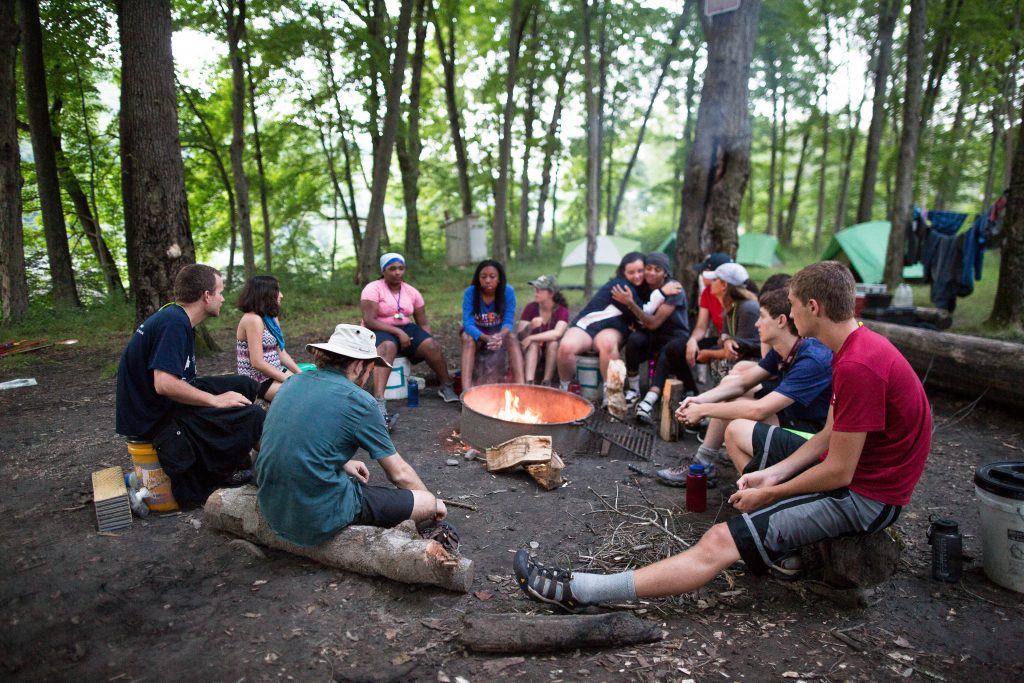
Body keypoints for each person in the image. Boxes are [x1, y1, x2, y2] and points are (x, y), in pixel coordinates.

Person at [513, 260, 931, 611]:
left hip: (868, 497)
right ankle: (778, 544)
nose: (788, 313)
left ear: (813, 307)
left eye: (791, 305)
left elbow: (840, 470)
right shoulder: (852, 348)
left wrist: (771, 494)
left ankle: (581, 592)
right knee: (744, 440)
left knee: (718, 540)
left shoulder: (859, 365)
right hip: (856, 473)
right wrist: (771, 474)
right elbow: (826, 436)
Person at [255, 324, 452, 548]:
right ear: (359, 365)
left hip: (272, 505)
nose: (368, 375)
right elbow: (399, 474)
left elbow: (296, 437)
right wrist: (434, 502)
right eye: (370, 368)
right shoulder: (360, 401)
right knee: (425, 502)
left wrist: (344, 462)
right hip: (316, 516)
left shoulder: (291, 382)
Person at [115, 264, 267, 508]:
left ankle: (240, 457)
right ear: (206, 296)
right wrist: (215, 400)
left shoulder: (176, 318)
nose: (223, 298)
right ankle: (267, 468)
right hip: (152, 417)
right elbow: (164, 384)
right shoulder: (174, 324)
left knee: (244, 385)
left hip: (159, 403)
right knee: (253, 415)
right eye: (220, 291)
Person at [655, 287, 832, 487]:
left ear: (781, 321)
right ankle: (704, 464)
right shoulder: (785, 348)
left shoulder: (812, 358)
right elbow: (742, 383)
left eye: (762, 317)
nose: (756, 324)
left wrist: (703, 410)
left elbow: (759, 410)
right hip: (794, 420)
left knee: (735, 427)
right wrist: (699, 399)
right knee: (732, 399)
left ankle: (762, 495)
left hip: (814, 438)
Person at [638, 262, 761, 423]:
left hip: (751, 365)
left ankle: (716, 415)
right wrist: (698, 341)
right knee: (674, 348)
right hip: (734, 357)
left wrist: (709, 353)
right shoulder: (730, 307)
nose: (710, 283)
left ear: (724, 285)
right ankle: (693, 397)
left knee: (722, 363)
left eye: (715, 279)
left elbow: (738, 351)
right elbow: (723, 336)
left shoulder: (748, 308)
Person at [361, 253, 460, 429]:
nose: (397, 272)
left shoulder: (411, 292)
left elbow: (423, 323)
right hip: (378, 328)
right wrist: (398, 332)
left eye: (401, 268)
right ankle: (378, 402)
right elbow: (369, 320)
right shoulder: (373, 288)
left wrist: (426, 342)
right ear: (383, 271)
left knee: (431, 345)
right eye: (392, 269)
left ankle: (446, 386)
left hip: (406, 328)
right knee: (388, 346)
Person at [555, 252, 646, 394]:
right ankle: (566, 388)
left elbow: (640, 316)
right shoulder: (621, 286)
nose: (637, 275)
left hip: (613, 327)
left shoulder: (645, 288)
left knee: (608, 344)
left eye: (640, 271)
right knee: (566, 347)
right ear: (623, 272)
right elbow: (640, 315)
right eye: (631, 272)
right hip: (587, 325)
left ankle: (612, 392)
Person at [613, 252, 689, 406]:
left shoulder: (674, 289)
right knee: (634, 340)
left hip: (674, 335)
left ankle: (651, 398)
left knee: (666, 350)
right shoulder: (642, 286)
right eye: (648, 268)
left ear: (665, 272)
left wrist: (630, 303)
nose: (651, 273)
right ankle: (634, 390)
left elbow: (653, 323)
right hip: (652, 333)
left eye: (657, 269)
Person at [235, 275, 302, 402]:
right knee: (299, 395)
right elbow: (257, 363)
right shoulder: (252, 319)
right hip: (256, 379)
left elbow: (281, 353)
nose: (281, 295)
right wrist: (288, 379)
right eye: (277, 291)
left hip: (275, 371)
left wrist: (300, 374)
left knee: (310, 386)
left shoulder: (271, 318)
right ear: (266, 294)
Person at [461, 260, 525, 390]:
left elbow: (508, 321)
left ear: (499, 278)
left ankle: (522, 386)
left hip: (498, 333)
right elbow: (467, 323)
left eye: (492, 276)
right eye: (483, 277)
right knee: (468, 340)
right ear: (478, 279)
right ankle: (466, 391)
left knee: (512, 338)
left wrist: (499, 336)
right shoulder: (470, 293)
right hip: (477, 334)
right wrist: (485, 337)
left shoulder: (508, 291)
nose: (488, 280)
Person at [515, 275, 570, 385]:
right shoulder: (531, 308)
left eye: (540, 289)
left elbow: (557, 334)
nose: (536, 292)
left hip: (553, 353)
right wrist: (530, 326)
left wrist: (531, 337)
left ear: (551, 293)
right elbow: (520, 336)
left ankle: (546, 382)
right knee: (533, 344)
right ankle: (529, 383)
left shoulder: (562, 311)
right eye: (535, 289)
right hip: (532, 352)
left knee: (553, 343)